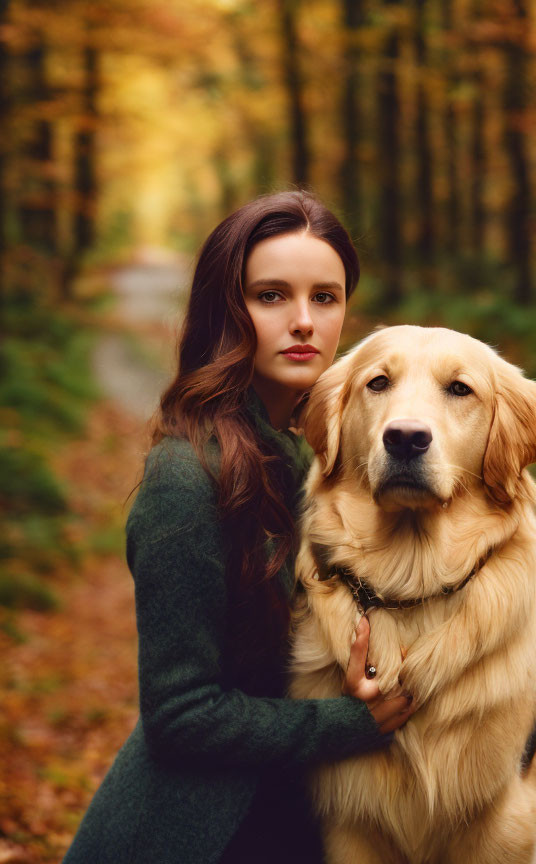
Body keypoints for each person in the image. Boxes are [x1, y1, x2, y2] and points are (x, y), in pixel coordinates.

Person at [62, 190, 414, 864]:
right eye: (273, 296)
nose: (305, 322)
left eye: (327, 298)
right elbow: (181, 715)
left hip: (296, 810)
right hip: (204, 833)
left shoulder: (317, 455)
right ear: (229, 308)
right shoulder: (187, 477)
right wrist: (347, 723)